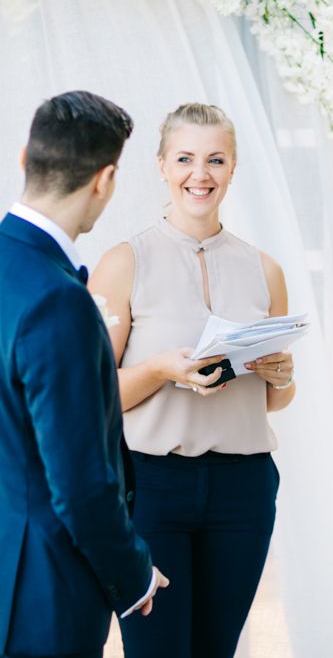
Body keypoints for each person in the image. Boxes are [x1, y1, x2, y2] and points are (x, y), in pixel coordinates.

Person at [89, 102, 296, 658]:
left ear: (233, 168)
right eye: (184, 158)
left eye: (215, 160)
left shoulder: (264, 268)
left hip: (244, 489)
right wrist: (160, 369)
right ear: (161, 165)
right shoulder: (123, 261)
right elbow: (92, 396)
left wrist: (281, 372)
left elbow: (278, 399)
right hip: (151, 487)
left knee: (215, 650)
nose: (199, 174)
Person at [0, 91, 168, 658]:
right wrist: (135, 574)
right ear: (105, 181)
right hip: (40, 591)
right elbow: (79, 483)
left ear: (26, 157)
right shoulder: (59, 300)